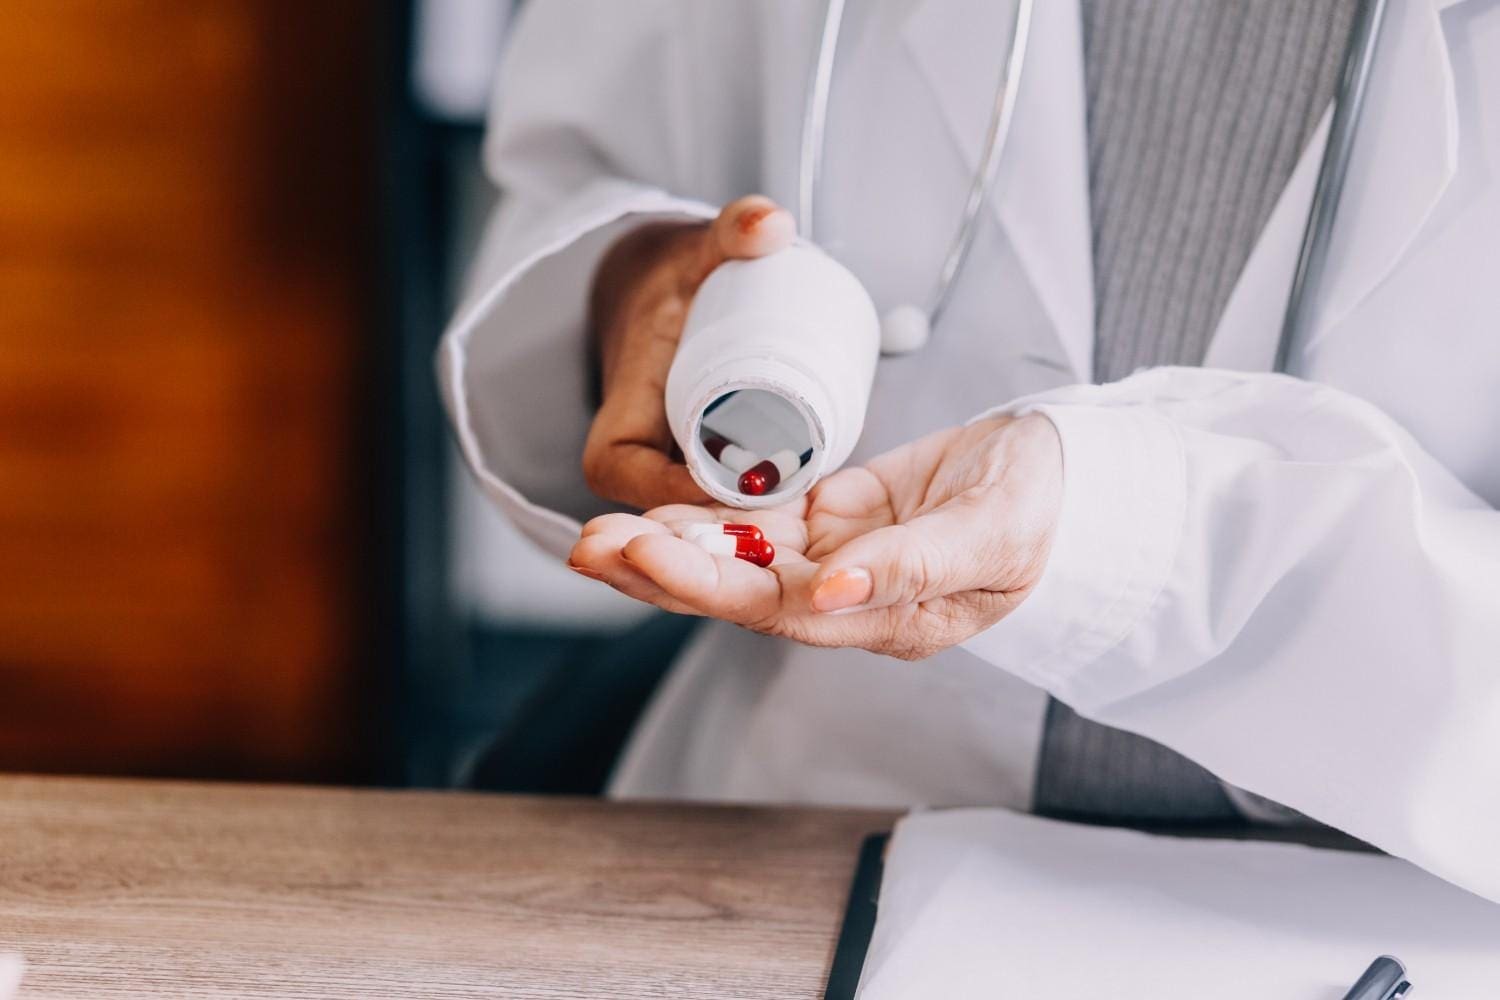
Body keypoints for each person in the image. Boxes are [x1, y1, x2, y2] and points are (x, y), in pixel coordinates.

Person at [439, 0, 1500, 901]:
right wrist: (632, 283)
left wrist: (1132, 539)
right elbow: (580, 163)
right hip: (791, 845)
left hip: (1381, 903)